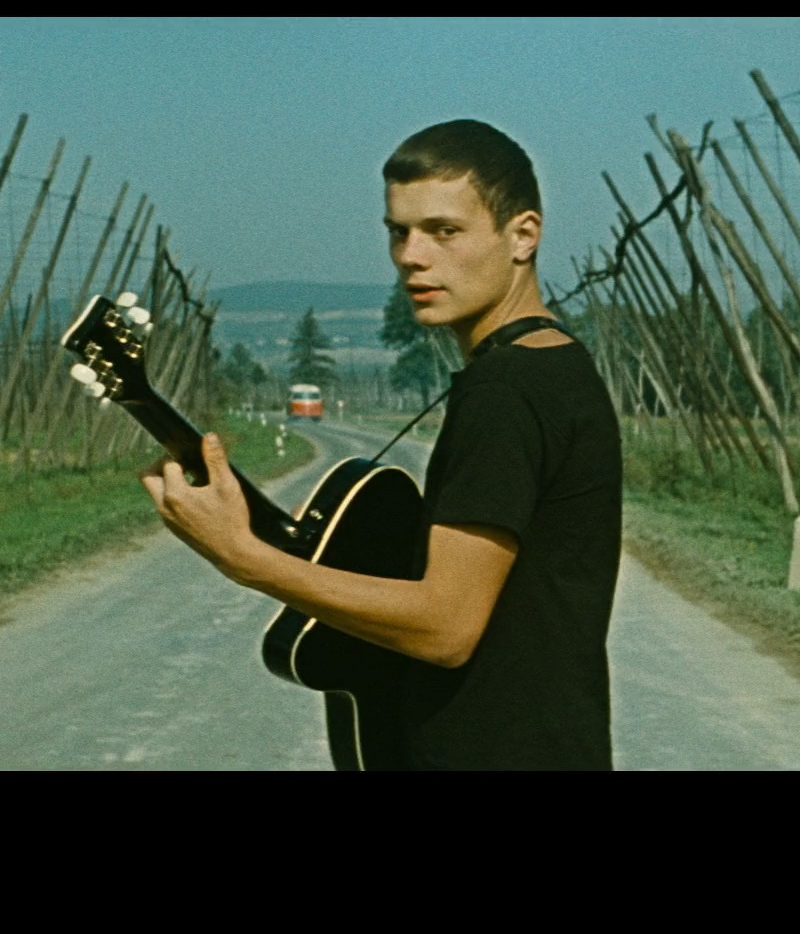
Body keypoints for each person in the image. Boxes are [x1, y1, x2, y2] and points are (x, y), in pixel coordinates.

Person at [144, 119, 622, 769]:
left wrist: (243, 556)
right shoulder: (555, 364)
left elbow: (446, 627)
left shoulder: (506, 391)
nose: (412, 257)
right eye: (399, 231)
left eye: (444, 231)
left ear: (523, 235)